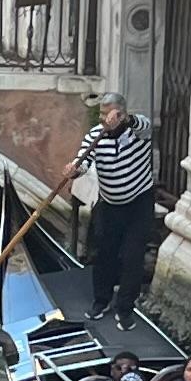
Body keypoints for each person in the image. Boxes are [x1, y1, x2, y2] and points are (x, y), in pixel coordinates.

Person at [73, 96, 161, 323]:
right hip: (109, 205)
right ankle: (101, 301)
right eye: (102, 114)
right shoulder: (95, 135)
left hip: (139, 204)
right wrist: (74, 170)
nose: (104, 119)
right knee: (104, 254)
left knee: (133, 256)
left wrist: (126, 119)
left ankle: (125, 308)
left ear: (121, 114)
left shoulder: (139, 131)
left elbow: (142, 125)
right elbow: (84, 160)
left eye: (109, 114)